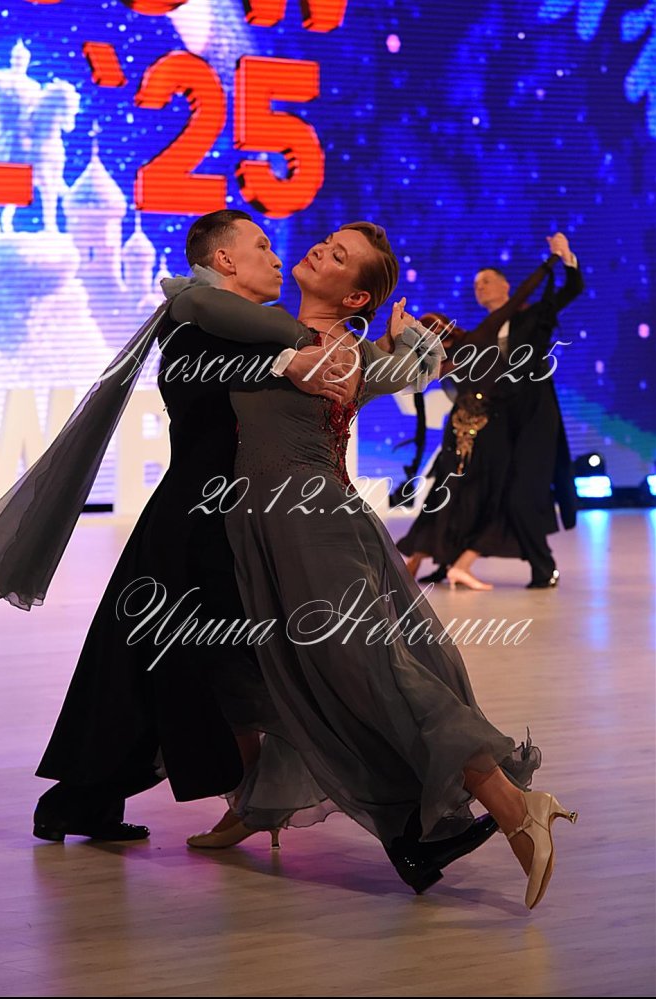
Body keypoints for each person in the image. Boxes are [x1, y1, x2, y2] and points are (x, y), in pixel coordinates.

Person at [0, 210, 498, 887]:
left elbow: (353, 373)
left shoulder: (250, 327)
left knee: (177, 674)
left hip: (226, 527)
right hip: (200, 528)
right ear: (225, 261)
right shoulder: (199, 322)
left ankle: (96, 799)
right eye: (260, 246)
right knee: (276, 681)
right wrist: (295, 354)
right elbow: (207, 340)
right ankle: (397, 828)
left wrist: (400, 352)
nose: (277, 254)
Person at [165, 223, 577, 907]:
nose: (319, 249)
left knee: (376, 670)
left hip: (311, 527)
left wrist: (405, 349)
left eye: (339, 256)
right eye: (327, 241)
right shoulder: (283, 333)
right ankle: (255, 806)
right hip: (265, 528)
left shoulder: (335, 352)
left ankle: (513, 805)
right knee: (280, 674)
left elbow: (201, 305)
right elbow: (196, 304)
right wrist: (406, 348)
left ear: (355, 296)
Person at [397, 244, 569, 589]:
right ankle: (445, 563)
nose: (479, 288)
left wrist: (552, 262)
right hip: (474, 430)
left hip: (486, 428)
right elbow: (414, 378)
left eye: (485, 282)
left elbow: (524, 296)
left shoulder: (479, 338)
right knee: (460, 493)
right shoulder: (463, 349)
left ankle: (447, 562)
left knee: (470, 493)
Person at [474, 233, 582, 588]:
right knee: (497, 492)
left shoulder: (532, 315)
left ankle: (544, 565)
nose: (480, 287)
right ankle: (454, 564)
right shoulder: (484, 332)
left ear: (506, 286)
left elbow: (572, 289)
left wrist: (565, 258)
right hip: (501, 417)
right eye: (476, 284)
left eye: (486, 281)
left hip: (536, 413)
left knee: (523, 494)